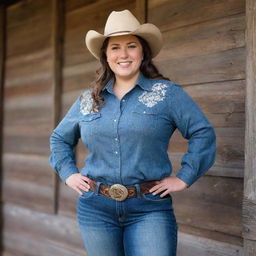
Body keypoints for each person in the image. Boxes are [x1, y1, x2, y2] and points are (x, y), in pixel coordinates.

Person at [49, 9, 216, 256]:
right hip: (95, 207)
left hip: (149, 208)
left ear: (142, 53)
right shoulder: (88, 100)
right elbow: (59, 138)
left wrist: (184, 177)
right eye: (115, 47)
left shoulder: (167, 94)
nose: (123, 54)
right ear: (106, 55)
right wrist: (68, 173)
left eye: (131, 46)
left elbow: (202, 132)